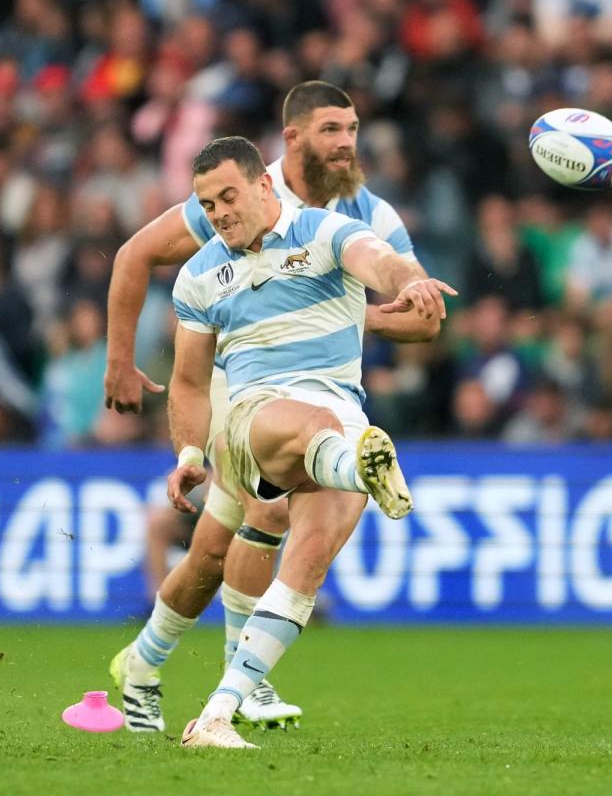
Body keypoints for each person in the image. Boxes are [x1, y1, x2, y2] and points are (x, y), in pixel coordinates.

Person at [105, 81, 439, 733]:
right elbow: (134, 254)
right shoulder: (237, 198)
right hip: (244, 379)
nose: (346, 143)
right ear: (292, 140)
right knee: (265, 509)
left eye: (352, 129)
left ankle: (147, 661)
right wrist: (120, 360)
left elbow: (421, 319)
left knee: (211, 553)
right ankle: (240, 680)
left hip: (324, 382)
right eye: (331, 131)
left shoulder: (371, 217)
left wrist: (335, 312)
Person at [169, 136, 454, 749]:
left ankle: (216, 715)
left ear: (264, 186)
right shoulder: (198, 278)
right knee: (312, 430)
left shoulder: (322, 232)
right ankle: (361, 471)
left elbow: (380, 261)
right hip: (253, 418)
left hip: (342, 417)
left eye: (228, 196)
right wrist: (192, 454)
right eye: (206, 203)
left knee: (307, 564)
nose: (217, 213)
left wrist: (414, 281)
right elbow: (190, 382)